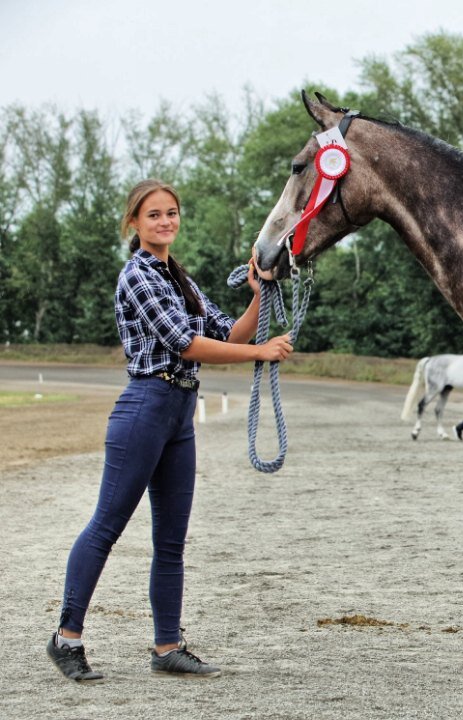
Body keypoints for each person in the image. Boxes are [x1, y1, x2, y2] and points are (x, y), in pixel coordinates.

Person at [47, 179, 294, 683]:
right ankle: (66, 637)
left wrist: (257, 298)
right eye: (154, 215)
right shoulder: (138, 276)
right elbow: (184, 342)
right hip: (145, 406)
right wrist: (260, 353)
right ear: (134, 224)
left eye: (172, 213)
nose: (165, 222)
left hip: (179, 412)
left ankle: (167, 646)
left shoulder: (177, 276)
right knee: (106, 527)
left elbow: (224, 332)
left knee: (172, 540)